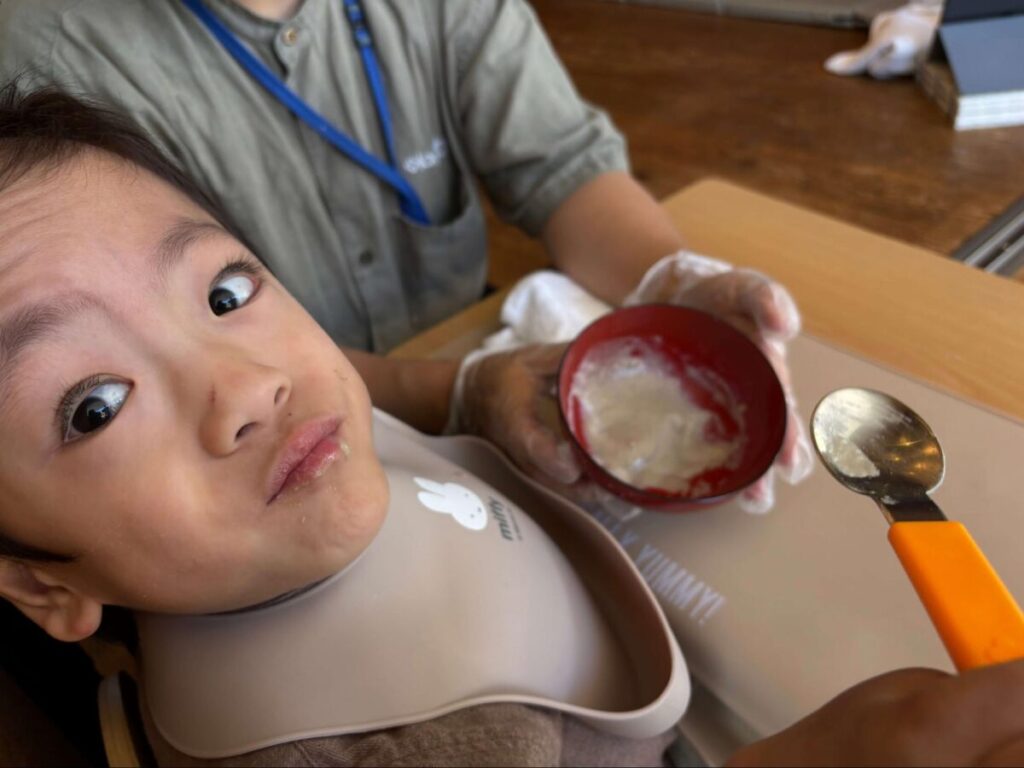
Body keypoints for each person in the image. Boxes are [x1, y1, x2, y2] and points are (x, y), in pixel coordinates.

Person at [2, 86, 1024, 768]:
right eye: (93, 406)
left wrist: (471, 389)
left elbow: (559, 155)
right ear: (44, 584)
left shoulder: (302, 462)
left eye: (226, 293)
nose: (247, 385)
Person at [0, 0, 810, 513]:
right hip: (260, 467)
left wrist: (668, 280)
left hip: (463, 357)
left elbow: (560, 162)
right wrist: (454, 393)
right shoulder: (47, 58)